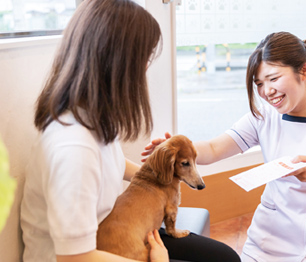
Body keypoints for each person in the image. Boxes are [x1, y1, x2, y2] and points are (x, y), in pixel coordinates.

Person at [20, 1, 240, 262]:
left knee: (225, 258)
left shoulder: (91, 117)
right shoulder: (73, 147)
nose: (146, 68)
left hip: (111, 235)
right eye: (144, 58)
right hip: (88, 254)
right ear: (117, 62)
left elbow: (109, 163)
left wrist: (160, 176)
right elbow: (75, 258)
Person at [144, 32, 306, 262]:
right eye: (259, 84)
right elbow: (213, 148)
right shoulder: (264, 116)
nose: (267, 91)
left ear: (303, 70)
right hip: (267, 241)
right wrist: (172, 149)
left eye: (273, 79)